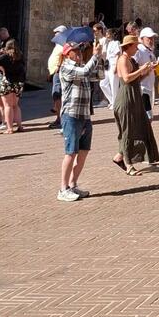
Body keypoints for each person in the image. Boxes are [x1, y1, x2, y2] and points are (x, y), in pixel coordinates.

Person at [56, 27, 105, 201]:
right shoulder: (66, 68)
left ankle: (73, 184)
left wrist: (99, 57)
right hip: (71, 115)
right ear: (68, 53)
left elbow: (98, 76)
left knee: (83, 151)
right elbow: (84, 73)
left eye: (80, 50)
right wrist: (95, 56)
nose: (79, 53)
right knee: (71, 152)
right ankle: (62, 189)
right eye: (76, 51)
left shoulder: (82, 65)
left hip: (85, 115)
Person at [112, 33, 159, 173]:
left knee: (140, 127)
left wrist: (148, 70)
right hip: (126, 99)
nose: (137, 49)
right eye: (135, 46)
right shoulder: (122, 60)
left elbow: (136, 80)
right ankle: (128, 165)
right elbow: (127, 78)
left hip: (134, 97)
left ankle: (119, 157)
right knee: (128, 131)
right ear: (129, 46)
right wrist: (141, 69)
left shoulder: (131, 59)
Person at [0, 38, 26, 132]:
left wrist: (3, 69)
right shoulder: (20, 55)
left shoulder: (6, 55)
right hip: (18, 82)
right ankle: (20, 126)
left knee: (7, 105)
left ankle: (9, 128)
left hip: (7, 81)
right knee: (15, 105)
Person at [47, 24, 67, 127]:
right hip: (55, 71)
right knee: (56, 94)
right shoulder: (58, 44)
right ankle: (59, 116)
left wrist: (58, 68)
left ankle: (59, 118)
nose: (55, 35)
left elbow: (63, 56)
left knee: (57, 93)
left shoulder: (63, 44)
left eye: (56, 33)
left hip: (58, 72)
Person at [137, 28, 158, 113]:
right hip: (142, 87)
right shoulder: (139, 50)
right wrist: (147, 68)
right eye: (148, 38)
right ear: (142, 39)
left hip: (149, 86)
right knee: (148, 115)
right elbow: (133, 66)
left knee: (148, 114)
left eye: (152, 38)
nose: (151, 40)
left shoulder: (149, 50)